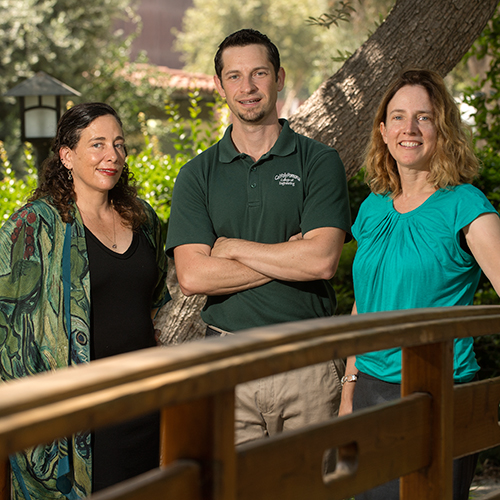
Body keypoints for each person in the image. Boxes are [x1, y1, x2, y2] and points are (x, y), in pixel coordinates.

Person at [166, 29, 351, 449]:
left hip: (307, 356)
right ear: (219, 86)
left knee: (311, 489)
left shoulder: (319, 161)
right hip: (227, 360)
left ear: (279, 77)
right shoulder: (197, 174)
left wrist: (231, 248)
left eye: (258, 74)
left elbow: (321, 261)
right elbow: (193, 276)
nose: (247, 88)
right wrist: (288, 254)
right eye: (234, 76)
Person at [339, 69, 500, 500]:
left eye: (424, 118)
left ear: (442, 129)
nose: (409, 129)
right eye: (398, 117)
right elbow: (363, 304)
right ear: (383, 131)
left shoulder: (465, 205)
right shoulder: (373, 207)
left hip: (438, 392)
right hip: (370, 391)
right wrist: (348, 388)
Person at [0, 102, 171, 498]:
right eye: (97, 144)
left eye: (119, 144)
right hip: (76, 416)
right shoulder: (36, 225)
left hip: (142, 403)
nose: (112, 155)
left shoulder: (144, 220)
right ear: (67, 155)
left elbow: (153, 301)